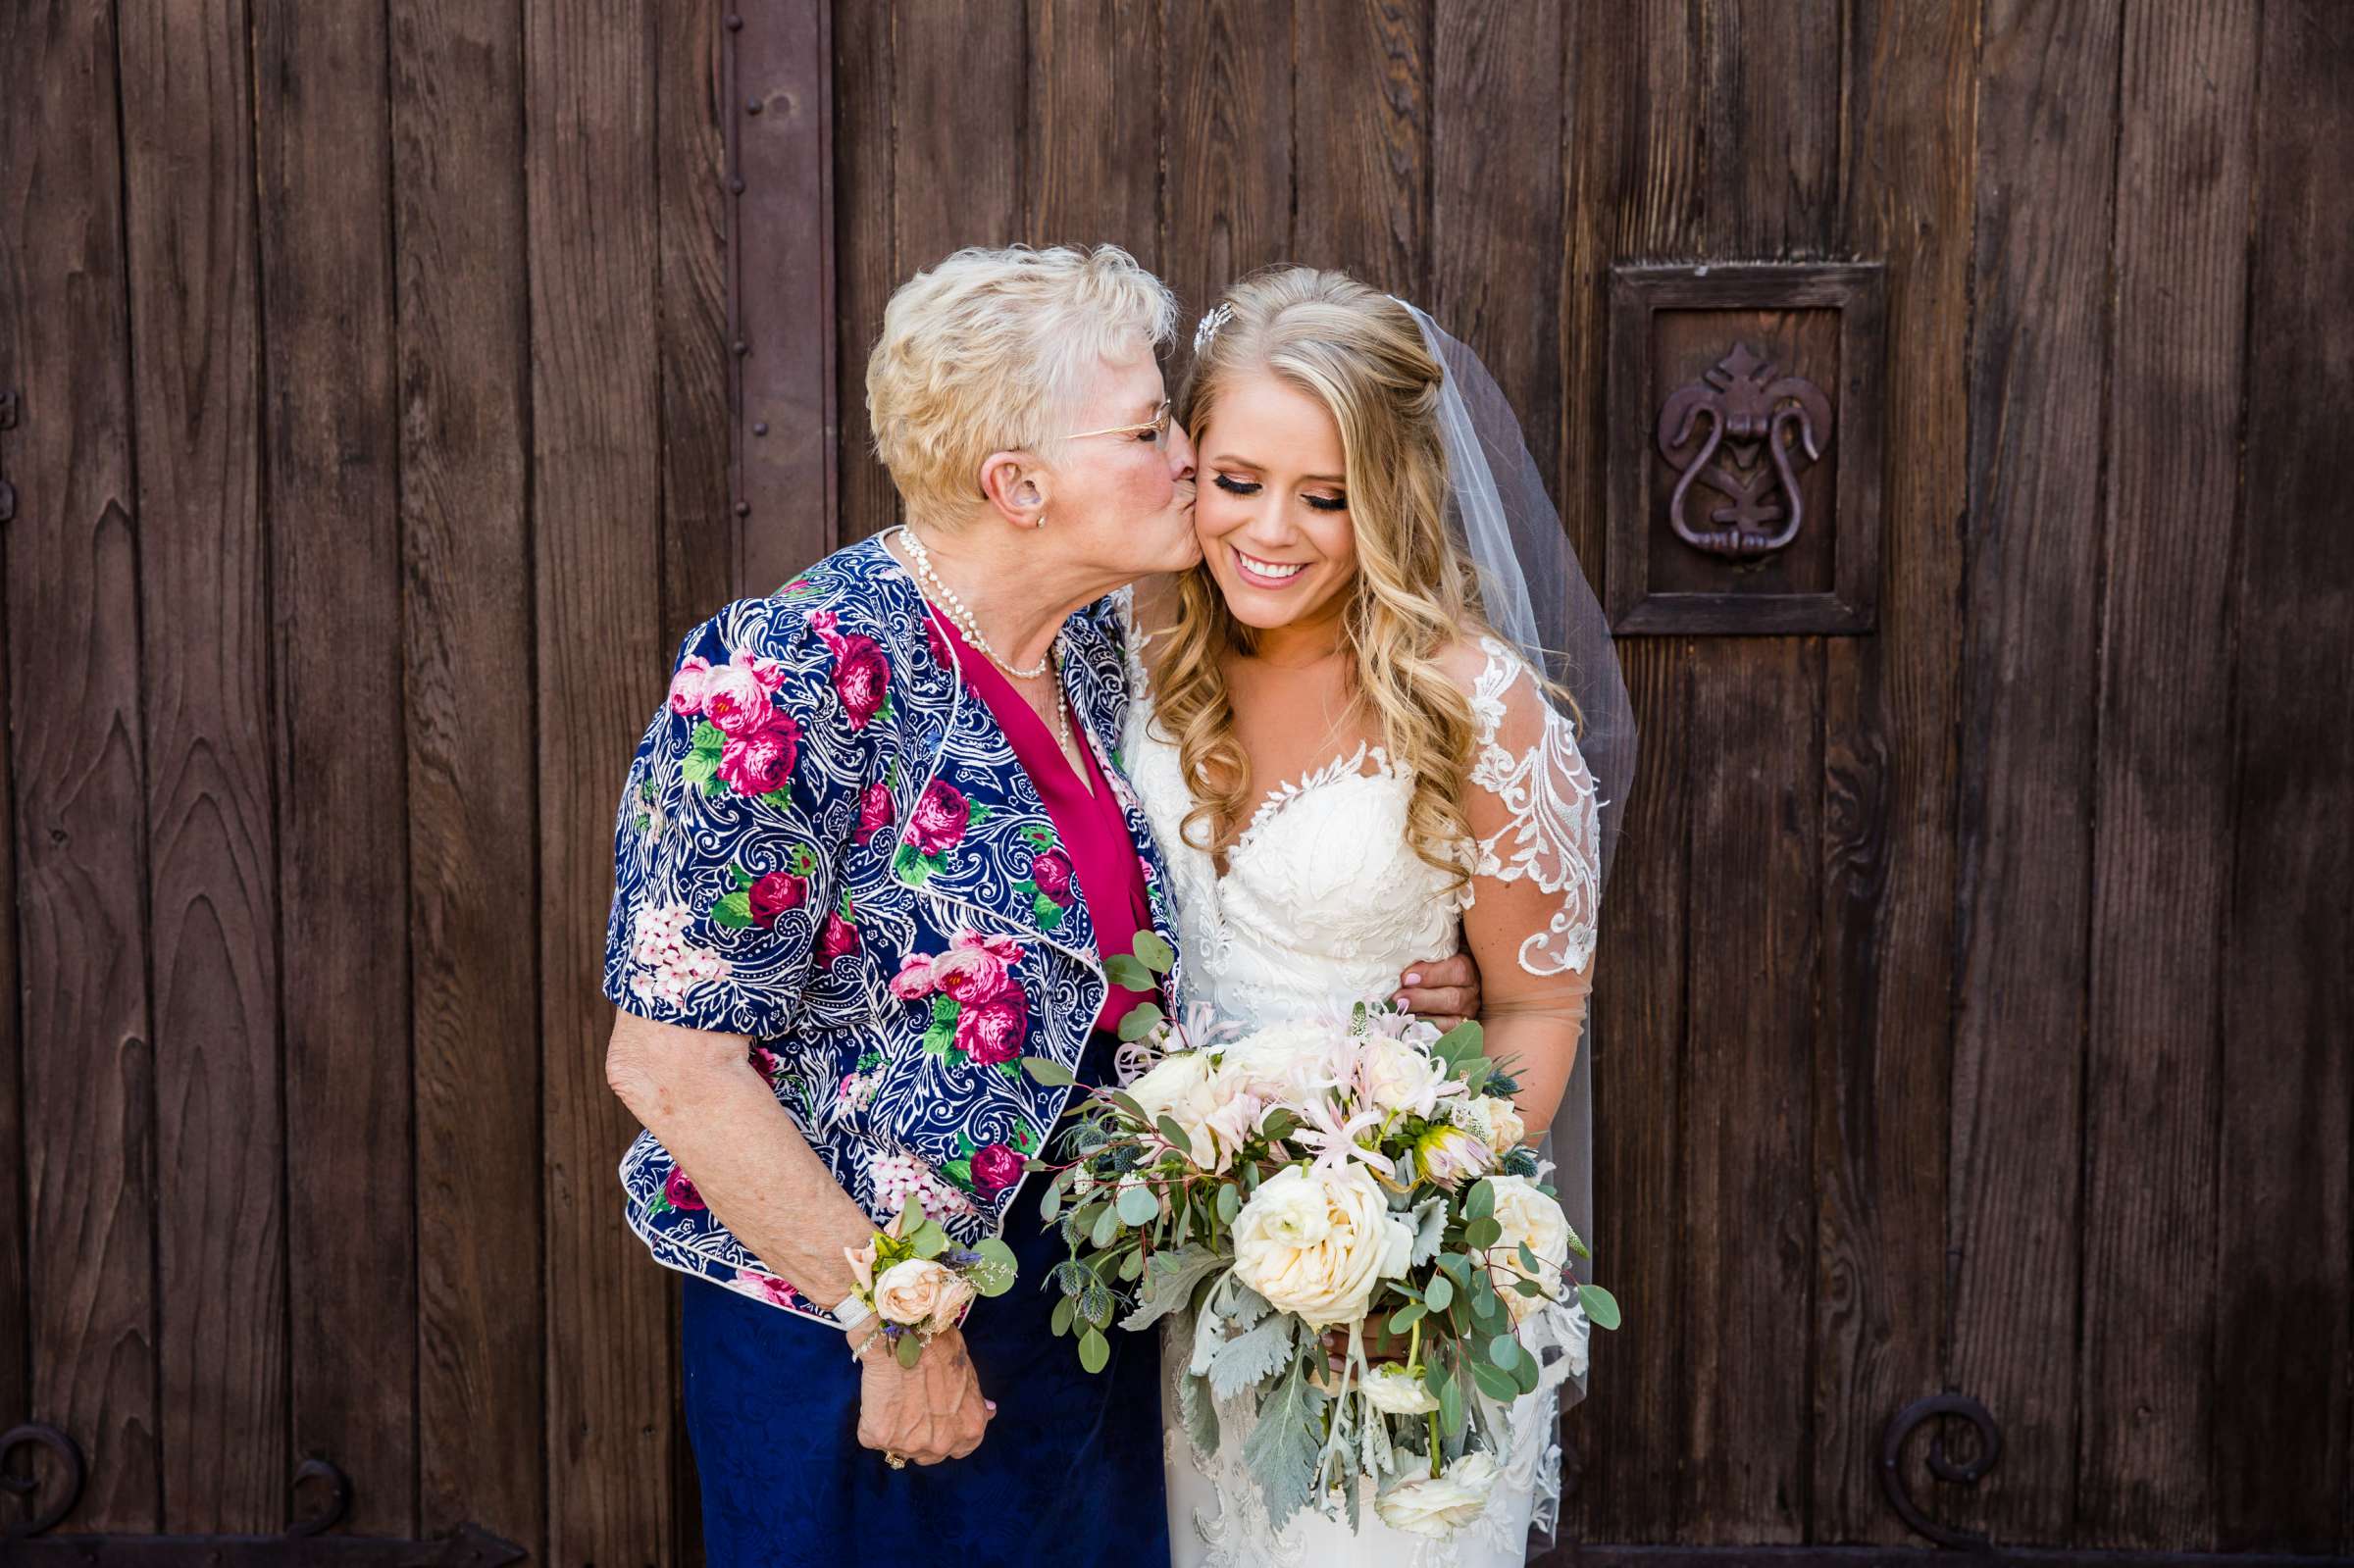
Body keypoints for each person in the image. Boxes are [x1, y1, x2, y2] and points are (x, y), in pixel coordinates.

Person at [598, 244, 1480, 1565]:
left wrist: (1406, 983)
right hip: (853, 1343)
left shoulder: (1109, 649)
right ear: (1019, 486)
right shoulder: (790, 674)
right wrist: (898, 1320)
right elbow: (671, 1063)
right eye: (1145, 429)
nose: (1190, 452)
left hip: (1080, 1323)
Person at [1123, 268, 1634, 1566]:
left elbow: (1534, 1003)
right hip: (1184, 1282)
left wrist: (1404, 1248)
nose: (1271, 532)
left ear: (1393, 496)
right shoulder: (1134, 657)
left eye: (1327, 496)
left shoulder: (1476, 703)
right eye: (1238, 481)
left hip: (1395, 1287)